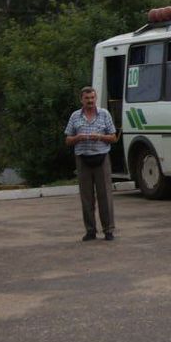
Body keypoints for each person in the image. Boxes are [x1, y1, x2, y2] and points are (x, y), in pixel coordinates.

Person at [64, 86, 118, 241]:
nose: (90, 101)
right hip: (83, 159)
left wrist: (100, 137)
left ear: (96, 98)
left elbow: (114, 137)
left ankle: (108, 230)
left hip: (101, 158)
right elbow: (67, 140)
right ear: (81, 99)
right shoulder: (75, 116)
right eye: (87, 98)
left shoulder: (104, 114)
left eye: (92, 98)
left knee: (105, 196)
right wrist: (77, 138)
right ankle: (90, 230)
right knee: (86, 197)